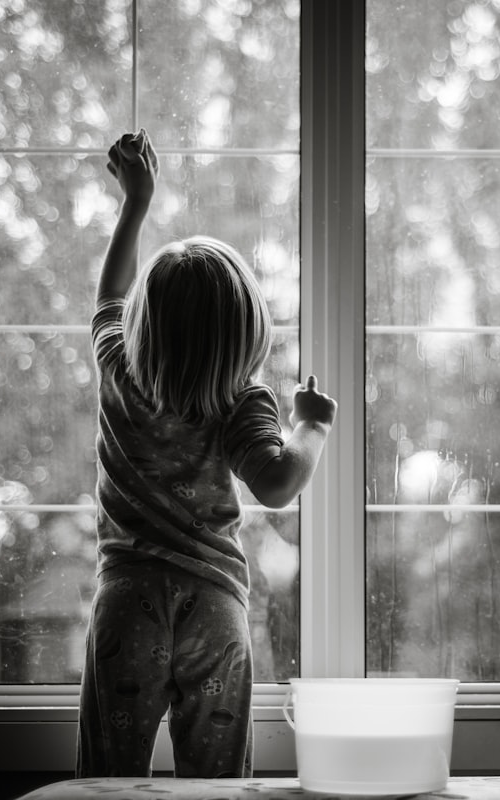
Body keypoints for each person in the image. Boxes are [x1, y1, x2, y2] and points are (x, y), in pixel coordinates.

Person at [76, 129, 337, 778]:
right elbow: (277, 485)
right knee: (216, 780)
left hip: (128, 597)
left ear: (143, 324)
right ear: (247, 333)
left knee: (110, 773)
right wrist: (312, 426)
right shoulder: (241, 401)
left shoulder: (118, 367)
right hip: (212, 605)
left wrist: (135, 203)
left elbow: (109, 297)